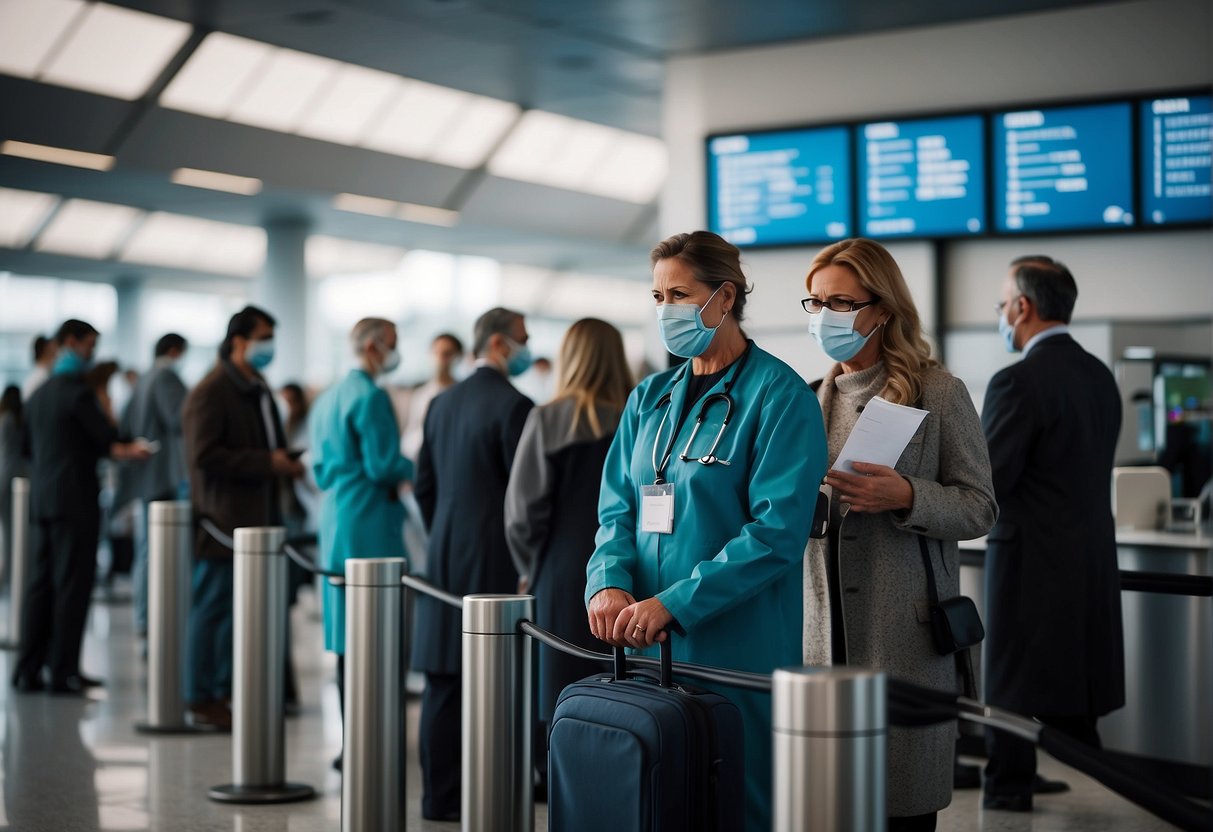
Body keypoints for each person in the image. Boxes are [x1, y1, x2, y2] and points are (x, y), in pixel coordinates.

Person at [586, 231, 827, 832]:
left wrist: (675, 603)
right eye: (658, 294)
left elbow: (775, 533)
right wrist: (608, 584)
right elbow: (617, 507)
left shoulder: (779, 397)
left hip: (733, 645)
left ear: (723, 297)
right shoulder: (650, 397)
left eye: (678, 293)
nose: (665, 308)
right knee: (656, 796)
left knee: (733, 798)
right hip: (643, 640)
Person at [801, 238, 997, 832]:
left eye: (841, 302)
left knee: (899, 808)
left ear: (881, 309)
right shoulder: (809, 400)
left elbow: (981, 508)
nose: (826, 317)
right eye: (815, 304)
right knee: (828, 807)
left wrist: (908, 496)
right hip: (819, 633)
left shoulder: (938, 394)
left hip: (901, 639)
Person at [981, 255, 1125, 812]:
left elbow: (989, 481)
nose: (1002, 316)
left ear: (1023, 306)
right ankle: (1106, 786)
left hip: (1028, 562)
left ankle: (1009, 785)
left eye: (1002, 305)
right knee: (1074, 688)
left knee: (1014, 683)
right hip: (1089, 559)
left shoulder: (1017, 380)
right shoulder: (1099, 376)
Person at [412, 307, 533, 821]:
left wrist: (444, 531)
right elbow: (524, 499)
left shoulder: (440, 403)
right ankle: (492, 791)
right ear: (502, 344)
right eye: (524, 339)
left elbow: (423, 485)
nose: (529, 348)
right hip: (496, 563)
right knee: (494, 682)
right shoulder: (517, 406)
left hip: (442, 558)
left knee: (443, 682)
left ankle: (439, 799)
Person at [505, 318, 633, 793]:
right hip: (628, 568)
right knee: (620, 675)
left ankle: (554, 776)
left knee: (557, 676)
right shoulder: (639, 417)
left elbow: (522, 512)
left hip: (561, 567)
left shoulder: (549, 418)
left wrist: (527, 567)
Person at [11, 320, 151, 694]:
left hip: (43, 501)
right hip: (75, 501)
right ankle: (62, 672)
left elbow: (27, 449)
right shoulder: (78, 393)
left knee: (41, 586)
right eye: (90, 346)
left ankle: (27, 669)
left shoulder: (39, 394)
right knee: (72, 586)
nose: (93, 354)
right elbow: (108, 440)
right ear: (70, 343)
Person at [181, 306, 304, 729]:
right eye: (263, 336)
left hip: (260, 518)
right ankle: (202, 696)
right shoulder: (212, 391)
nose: (269, 346)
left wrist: (282, 460)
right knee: (214, 608)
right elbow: (204, 456)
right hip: (224, 521)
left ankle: (231, 689)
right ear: (239, 340)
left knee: (242, 614)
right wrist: (267, 462)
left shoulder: (256, 386)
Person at [310, 318, 414, 769]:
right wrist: (415, 466)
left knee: (347, 637)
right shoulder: (371, 396)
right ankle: (375, 739)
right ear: (373, 347)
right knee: (377, 633)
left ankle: (352, 740)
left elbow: (317, 467)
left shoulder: (329, 397)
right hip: (370, 521)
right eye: (391, 344)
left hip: (335, 519)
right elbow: (383, 465)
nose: (395, 352)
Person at [121, 334, 189, 638]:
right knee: (156, 550)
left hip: (147, 475)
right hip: (164, 475)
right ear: (174, 351)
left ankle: (144, 616)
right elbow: (180, 418)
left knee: (146, 548)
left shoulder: (144, 378)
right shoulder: (166, 376)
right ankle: (153, 617)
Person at [399, 333, 464, 460]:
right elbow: (412, 436)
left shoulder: (466, 395)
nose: (440, 359)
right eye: (436, 353)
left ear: (458, 357)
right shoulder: (420, 395)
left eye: (447, 354)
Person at [0, 386, 27, 588]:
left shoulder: (5, 420)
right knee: (13, 531)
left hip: (5, 477)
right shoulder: (17, 421)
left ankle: (9, 576)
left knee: (9, 532)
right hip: (17, 477)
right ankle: (12, 576)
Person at [21, 335, 57, 401]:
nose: (57, 355)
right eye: (54, 351)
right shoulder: (43, 378)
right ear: (46, 350)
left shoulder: (34, 377)